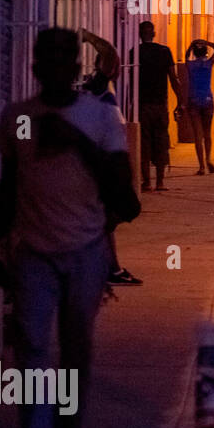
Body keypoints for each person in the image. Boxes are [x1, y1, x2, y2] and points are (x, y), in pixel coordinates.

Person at [0, 27, 134, 428]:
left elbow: (123, 194)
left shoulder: (100, 119)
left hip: (86, 249)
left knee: (75, 350)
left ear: (75, 69)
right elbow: (9, 185)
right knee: (32, 345)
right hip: (33, 250)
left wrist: (75, 141)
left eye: (62, 62)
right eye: (45, 62)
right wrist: (0, 246)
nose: (53, 70)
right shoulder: (19, 117)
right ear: (35, 68)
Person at [81, 29, 142, 288]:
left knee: (110, 216)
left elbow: (110, 56)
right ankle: (107, 267)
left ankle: (111, 267)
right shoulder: (96, 86)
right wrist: (87, 36)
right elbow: (110, 53)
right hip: (104, 156)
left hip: (107, 153)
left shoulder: (99, 86)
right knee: (120, 211)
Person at [135, 21, 181, 193]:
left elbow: (130, 81)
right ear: (154, 33)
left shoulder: (135, 53)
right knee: (161, 142)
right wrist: (180, 101)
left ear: (139, 34)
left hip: (143, 106)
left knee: (144, 144)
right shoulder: (164, 52)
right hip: (160, 105)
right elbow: (174, 79)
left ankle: (147, 182)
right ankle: (160, 181)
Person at [184, 38, 214, 174]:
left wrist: (191, 44)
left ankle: (201, 166)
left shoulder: (190, 65)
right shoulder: (208, 64)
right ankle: (209, 159)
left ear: (194, 52)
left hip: (193, 100)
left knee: (198, 136)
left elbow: (186, 56)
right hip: (207, 100)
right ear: (206, 53)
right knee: (207, 134)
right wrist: (206, 42)